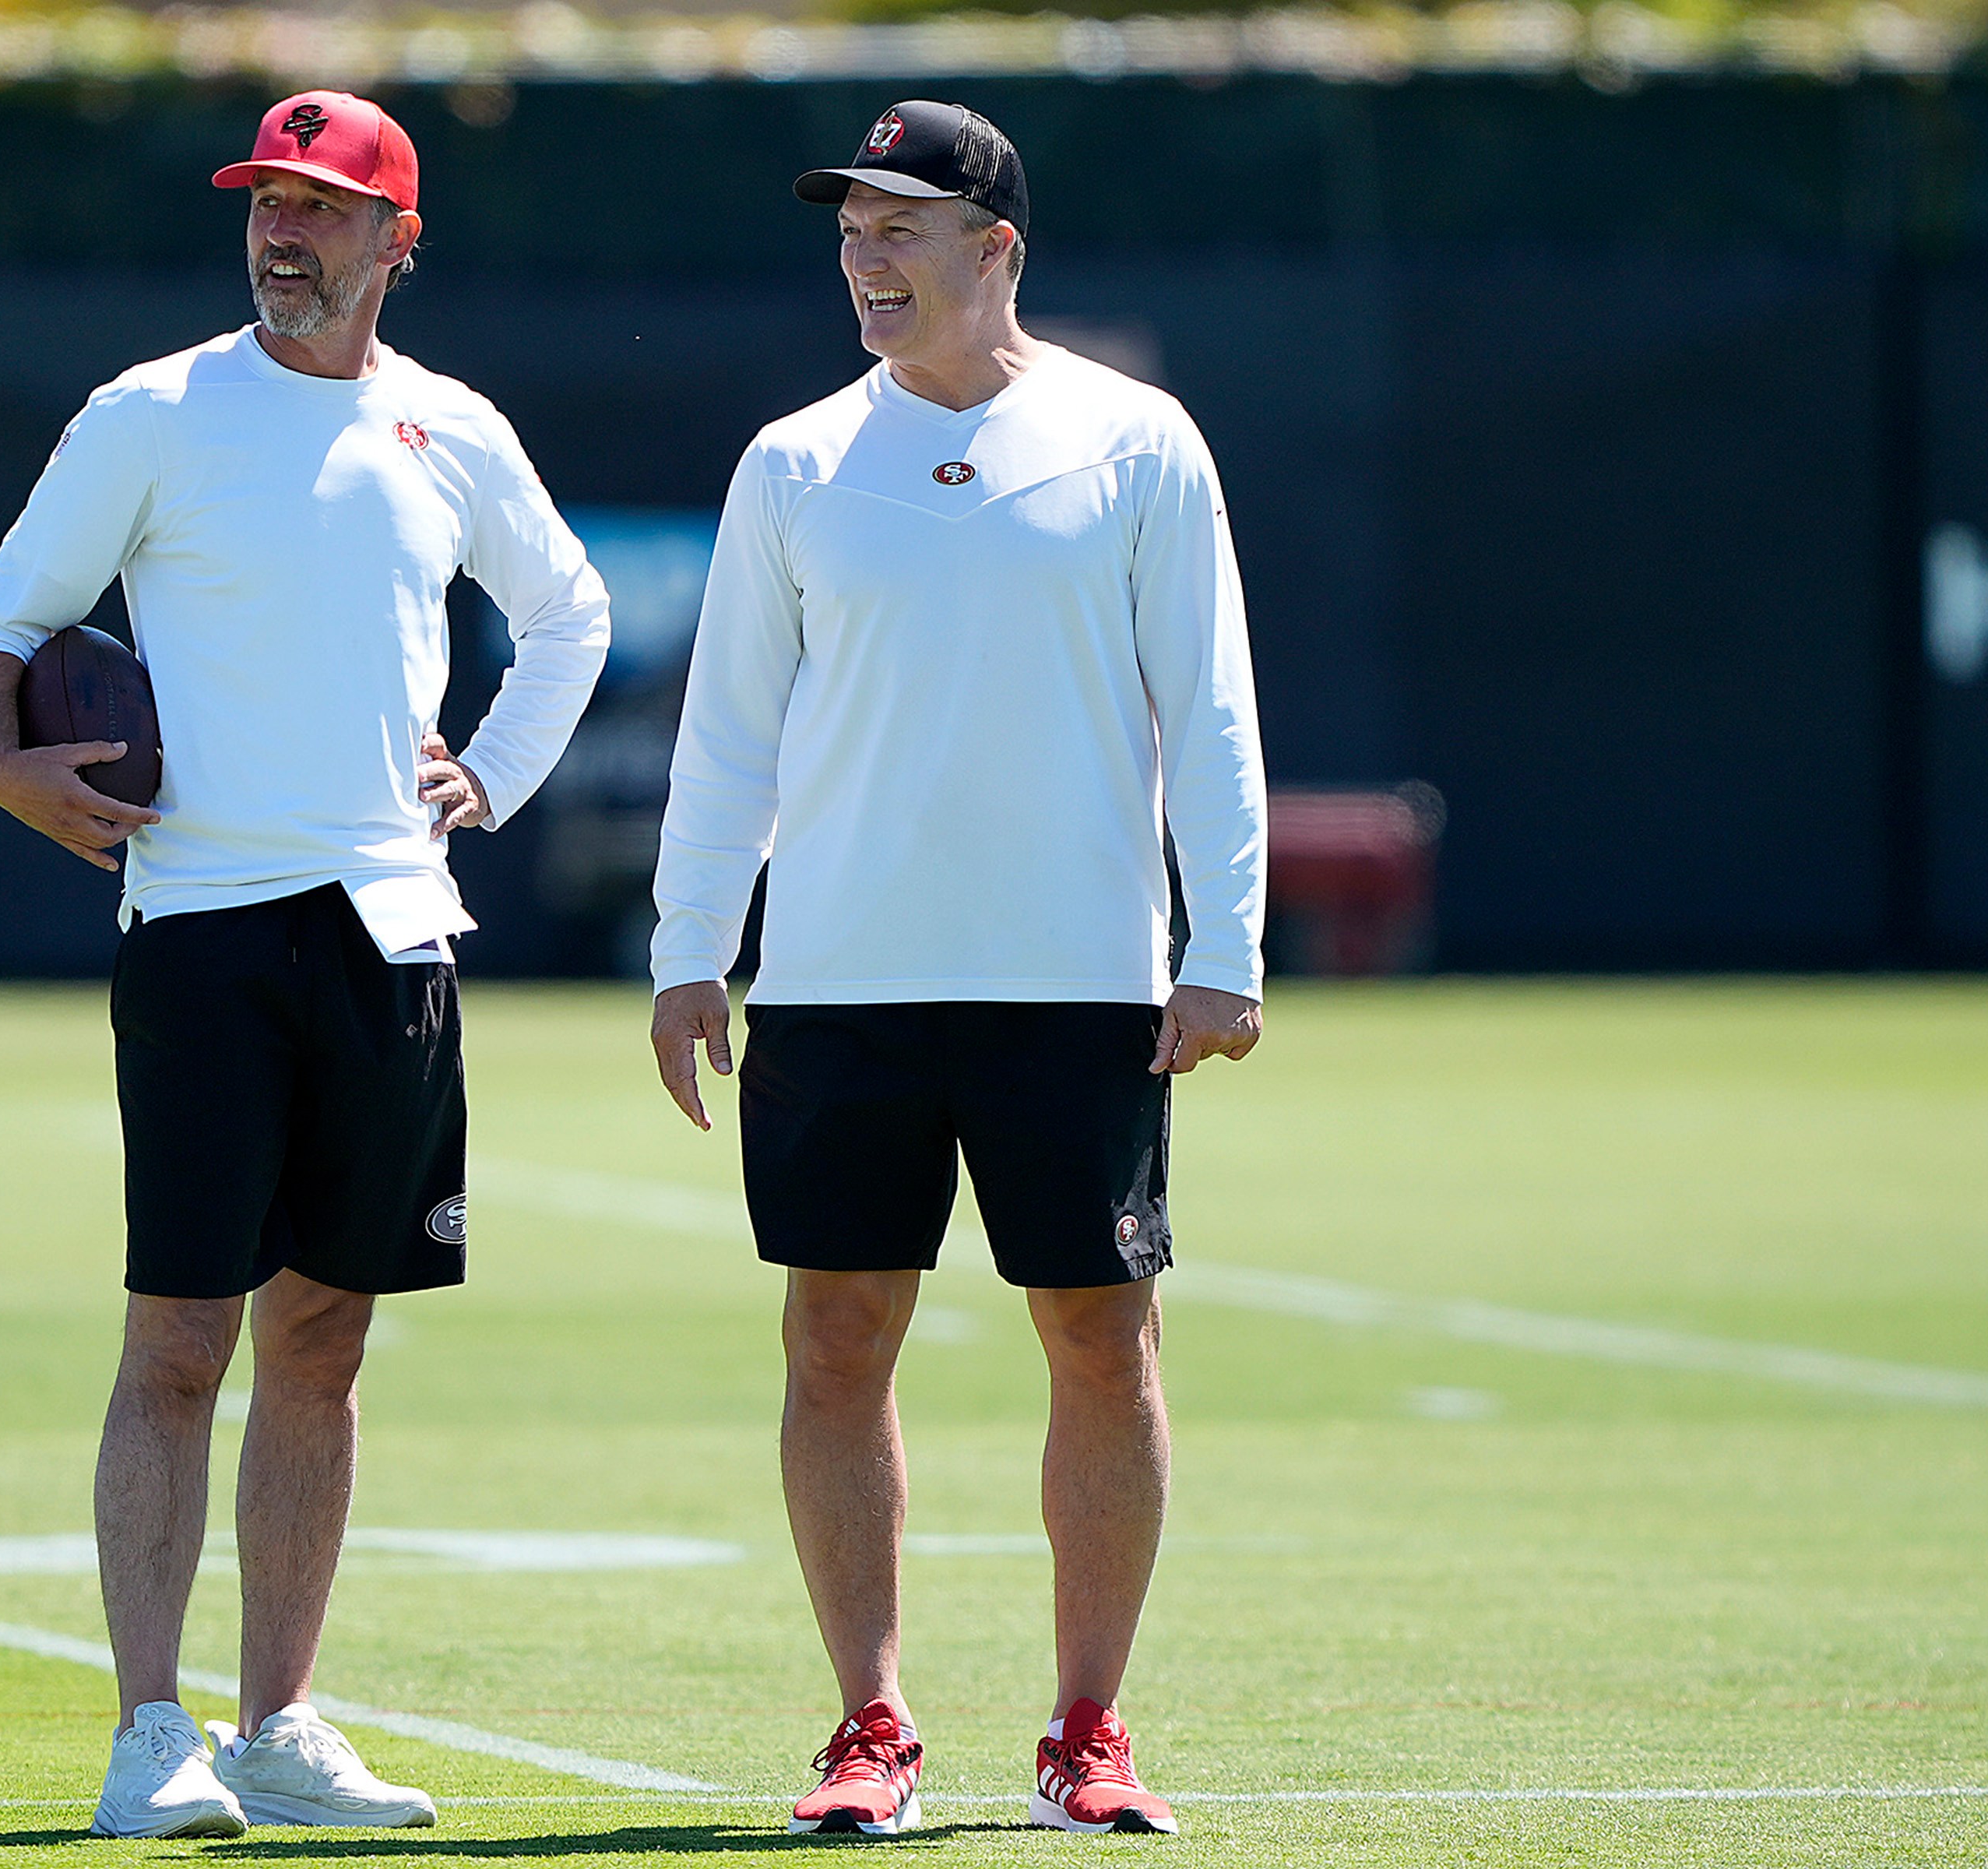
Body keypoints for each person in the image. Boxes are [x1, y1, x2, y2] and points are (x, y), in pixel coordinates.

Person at [0, 90, 609, 1839]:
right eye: (264, 202)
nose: (280, 234)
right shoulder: (152, 413)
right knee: (181, 1337)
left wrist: (494, 772)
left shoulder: (449, 427)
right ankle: (149, 1734)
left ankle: (284, 1726)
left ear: (399, 242)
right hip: (204, 933)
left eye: (321, 208)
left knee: (325, 1345)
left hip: (393, 934)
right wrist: (5, 762)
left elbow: (570, 612)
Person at [646, 100, 1266, 1839]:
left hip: (1082, 985)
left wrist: (1227, 942)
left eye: (903, 225)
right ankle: (869, 1724)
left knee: (1100, 1335)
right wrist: (692, 949)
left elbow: (1209, 708)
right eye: (851, 225)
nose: (866, 252)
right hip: (841, 985)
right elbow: (730, 734)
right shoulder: (791, 462)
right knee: (837, 1338)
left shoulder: (1138, 443)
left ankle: (1091, 1726)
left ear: (996, 250)